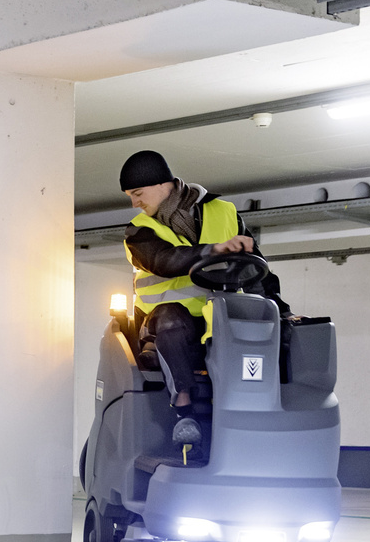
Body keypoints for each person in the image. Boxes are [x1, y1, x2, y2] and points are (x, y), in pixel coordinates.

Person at [119, 150, 290, 451]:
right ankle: (184, 411)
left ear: (162, 184)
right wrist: (213, 251)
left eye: (137, 193)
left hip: (220, 319)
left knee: (269, 329)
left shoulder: (225, 212)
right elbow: (165, 260)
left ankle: (259, 415)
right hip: (163, 327)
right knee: (171, 318)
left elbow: (257, 269)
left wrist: (282, 310)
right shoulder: (139, 231)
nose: (135, 203)